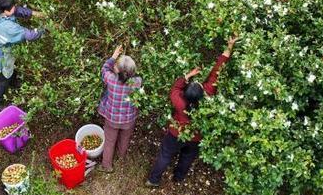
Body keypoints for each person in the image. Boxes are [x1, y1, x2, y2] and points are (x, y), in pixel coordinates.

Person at [146, 35, 239, 187]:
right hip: (196, 137)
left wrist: (188, 75)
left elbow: (175, 87)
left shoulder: (179, 101)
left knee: (165, 155)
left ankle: (153, 180)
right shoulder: (207, 96)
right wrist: (229, 47)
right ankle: (178, 177)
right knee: (187, 157)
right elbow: (217, 71)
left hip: (176, 133)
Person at [0, 0, 45, 110]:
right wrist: (45, 29)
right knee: (5, 75)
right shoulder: (7, 27)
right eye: (13, 7)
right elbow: (30, 35)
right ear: (5, 11)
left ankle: (13, 82)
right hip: (3, 51)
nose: (15, 8)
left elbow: (16, 11)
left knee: (10, 68)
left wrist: (33, 13)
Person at [97, 45, 142, 173]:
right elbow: (134, 75)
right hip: (129, 120)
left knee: (109, 141)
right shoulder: (137, 82)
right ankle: (121, 156)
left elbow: (105, 68)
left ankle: (107, 166)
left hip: (112, 119)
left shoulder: (111, 79)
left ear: (117, 71)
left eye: (116, 66)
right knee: (125, 138)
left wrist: (114, 56)